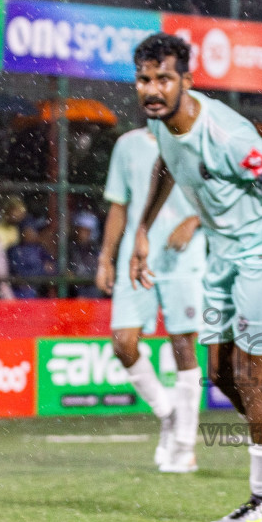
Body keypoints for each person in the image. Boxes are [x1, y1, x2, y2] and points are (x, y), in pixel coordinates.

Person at [128, 32, 262, 522]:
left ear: (186, 80)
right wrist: (143, 227)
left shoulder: (227, 136)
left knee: (253, 376)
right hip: (225, 256)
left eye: (164, 78)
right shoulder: (162, 123)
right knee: (223, 375)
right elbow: (167, 165)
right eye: (144, 80)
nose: (153, 89)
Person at [98, 122, 207, 472]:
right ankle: (168, 411)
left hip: (182, 256)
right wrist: (106, 257)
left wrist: (194, 220)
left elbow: (221, 196)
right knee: (123, 342)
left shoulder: (197, 141)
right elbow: (118, 205)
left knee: (183, 347)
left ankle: (184, 447)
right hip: (136, 255)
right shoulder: (127, 145)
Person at [8, 221, 56, 298]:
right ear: (23, 232)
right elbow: (21, 275)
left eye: (34, 231)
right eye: (30, 231)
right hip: (21, 292)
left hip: (39, 290)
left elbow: (53, 268)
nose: (34, 233)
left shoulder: (40, 249)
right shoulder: (14, 250)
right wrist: (42, 269)